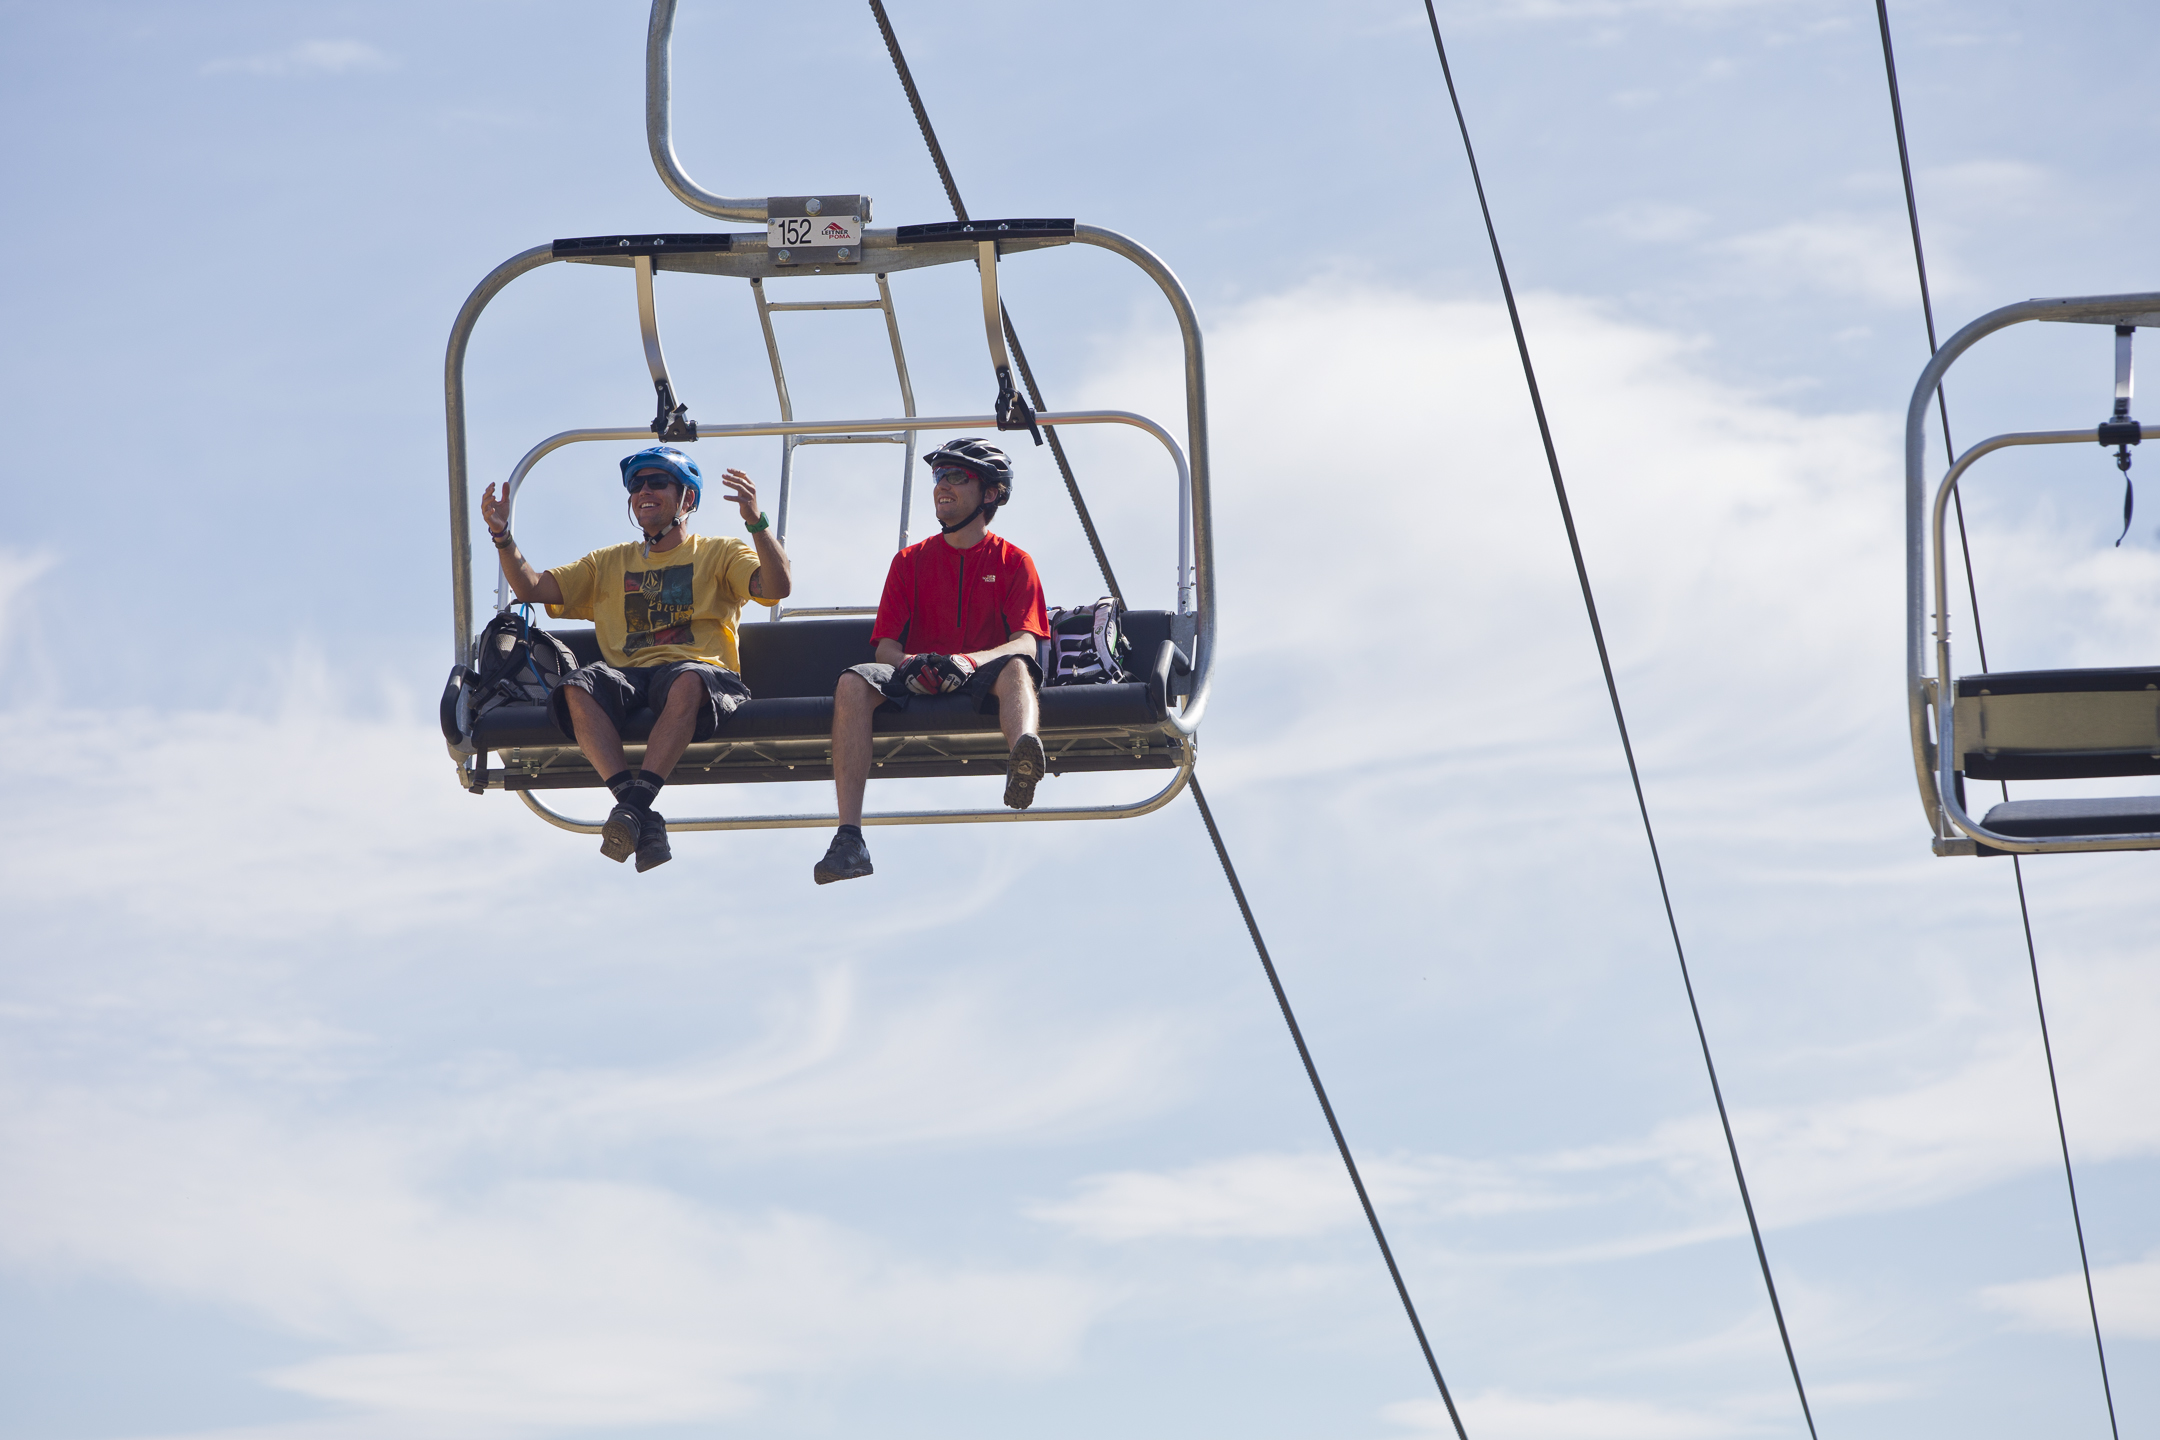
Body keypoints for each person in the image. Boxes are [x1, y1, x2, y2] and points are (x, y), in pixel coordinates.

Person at [479, 445, 792, 872]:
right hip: (631, 678)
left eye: (657, 482)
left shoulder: (720, 552)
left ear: (687, 500)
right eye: (636, 485)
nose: (643, 491)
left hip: (701, 676)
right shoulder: (607, 563)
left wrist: (757, 522)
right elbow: (534, 588)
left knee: (687, 679)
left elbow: (777, 586)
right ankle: (637, 811)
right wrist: (503, 536)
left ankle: (633, 809)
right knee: (575, 686)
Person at [815, 438, 1050, 884]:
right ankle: (848, 839)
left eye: (956, 476)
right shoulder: (909, 562)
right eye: (939, 476)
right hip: (917, 674)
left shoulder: (1015, 562)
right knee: (851, 683)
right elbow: (885, 648)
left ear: (992, 493)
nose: (942, 485)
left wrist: (965, 662)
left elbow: (1024, 644)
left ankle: (1023, 754)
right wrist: (912, 664)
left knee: (1017, 669)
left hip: (982, 675)